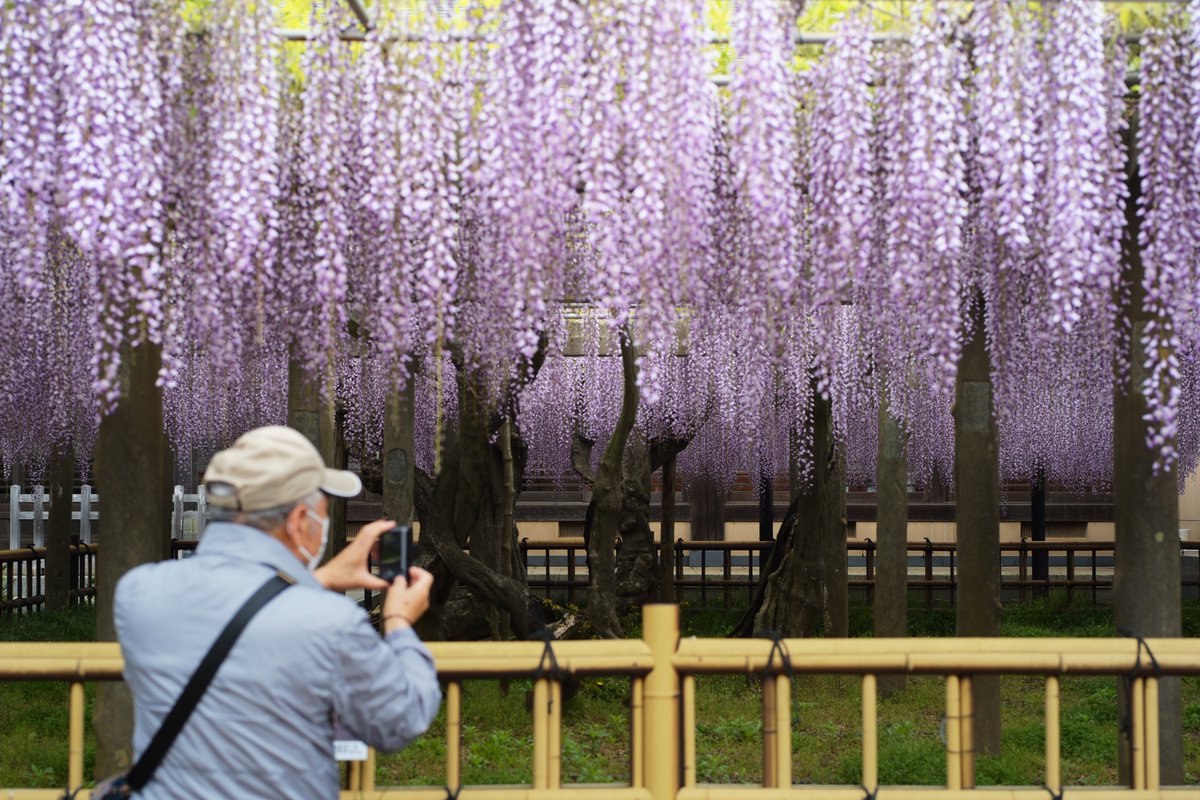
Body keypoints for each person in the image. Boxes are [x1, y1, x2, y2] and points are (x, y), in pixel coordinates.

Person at [114, 425, 440, 798]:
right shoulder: (330, 621)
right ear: (299, 521)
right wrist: (398, 623)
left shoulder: (138, 594)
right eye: (322, 512)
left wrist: (315, 579)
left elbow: (244, 611)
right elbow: (400, 720)